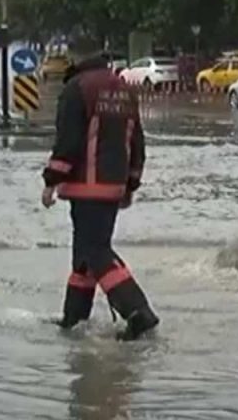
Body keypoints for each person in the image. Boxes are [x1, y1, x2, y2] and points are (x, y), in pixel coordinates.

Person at [42, 52, 159, 341]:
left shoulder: (77, 89)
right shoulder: (124, 89)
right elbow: (137, 142)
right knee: (85, 256)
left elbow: (67, 141)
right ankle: (74, 319)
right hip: (114, 185)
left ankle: (138, 311)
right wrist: (131, 184)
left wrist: (51, 181)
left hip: (85, 185)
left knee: (95, 251)